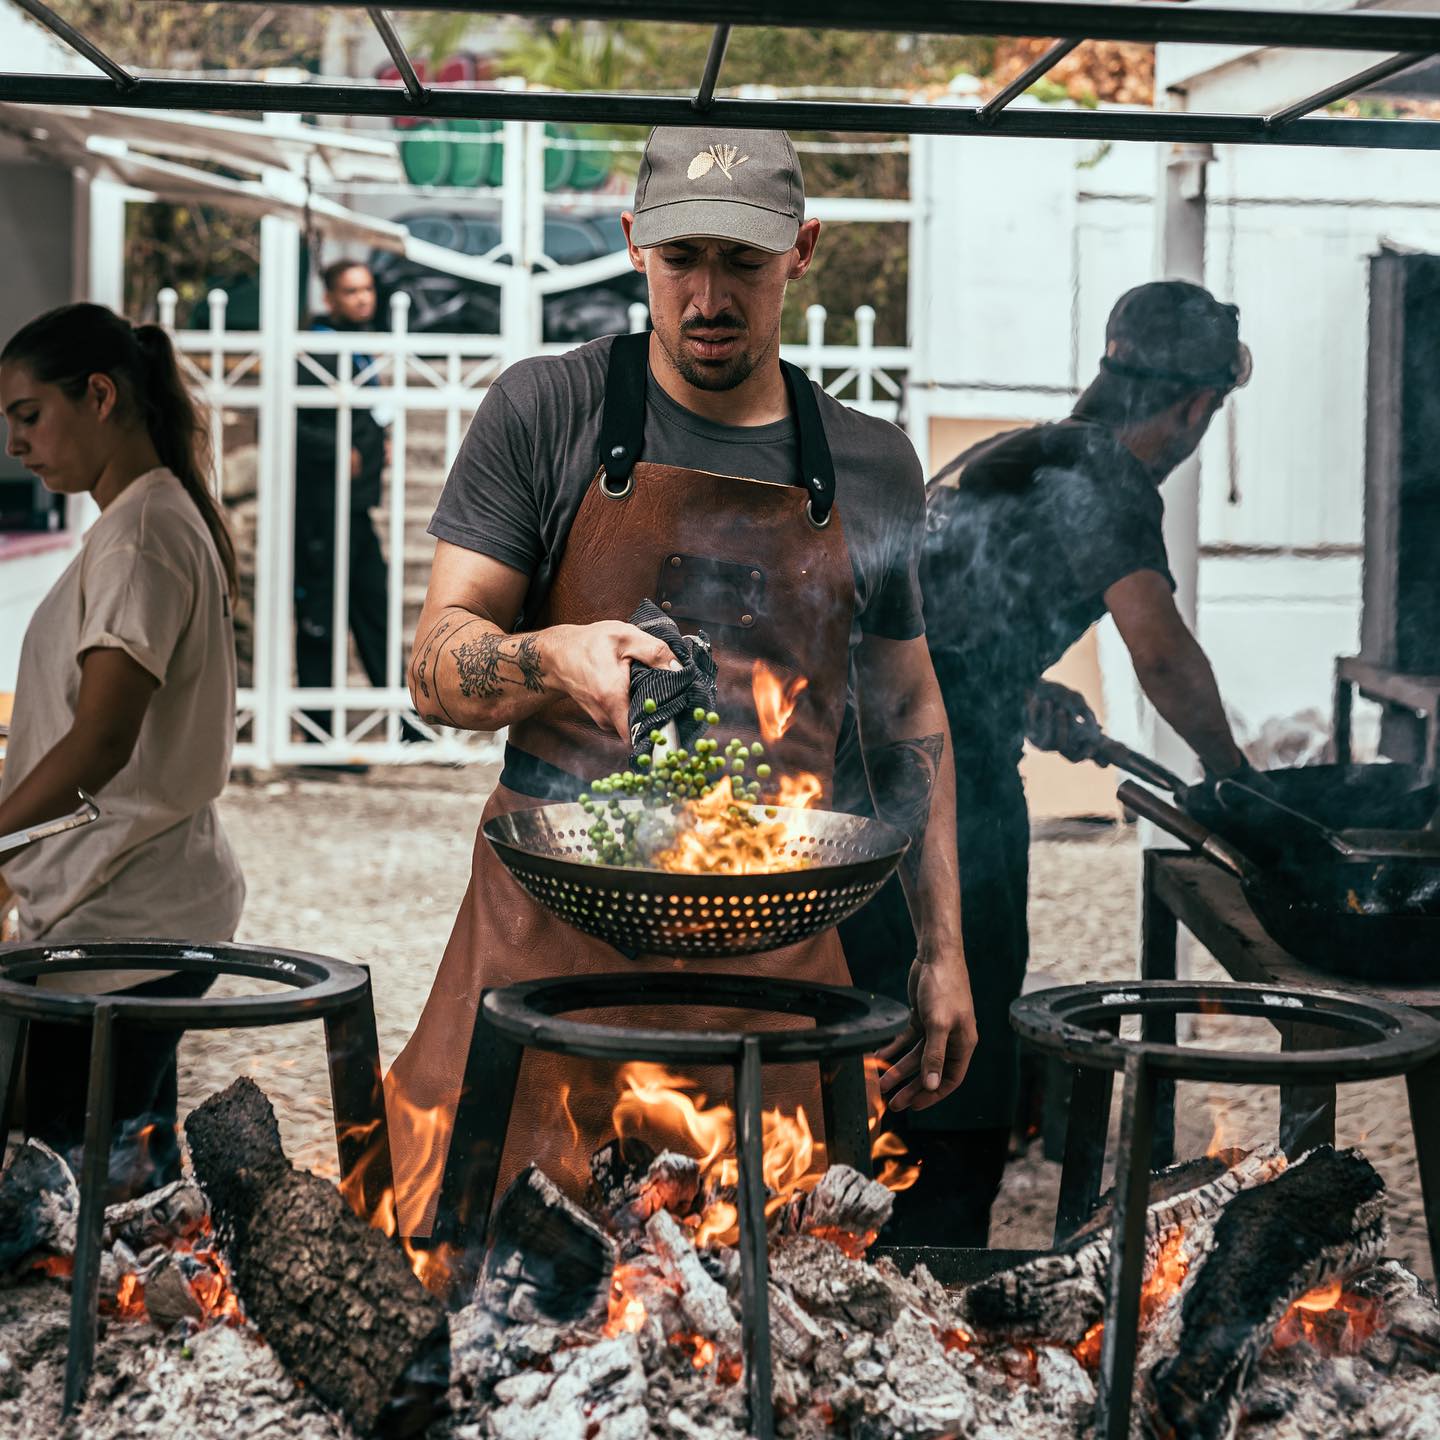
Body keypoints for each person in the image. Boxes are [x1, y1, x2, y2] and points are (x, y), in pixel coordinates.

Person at [386, 126, 977, 1239]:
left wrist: (945, 951)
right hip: (545, 940)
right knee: (482, 1273)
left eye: (743, 263)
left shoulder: (871, 462)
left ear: (802, 252)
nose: (709, 296)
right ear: (632, 247)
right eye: (681, 260)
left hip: (770, 955)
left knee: (768, 1293)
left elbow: (908, 711)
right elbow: (435, 665)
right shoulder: (546, 411)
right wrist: (547, 656)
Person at [837, 280, 1255, 1246]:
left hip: (856, 771)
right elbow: (1160, 651)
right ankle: (931, 1250)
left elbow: (935, 624)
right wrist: (1234, 777)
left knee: (873, 1016)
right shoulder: (1107, 478)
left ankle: (853, 1225)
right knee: (955, 1026)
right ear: (1197, 407)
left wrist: (1019, 691)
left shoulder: (1018, 453)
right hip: (945, 787)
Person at [0, 302, 245, 1199]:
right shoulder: (145, 520)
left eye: (29, 415)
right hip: (138, 911)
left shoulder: (141, 533)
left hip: (124, 919)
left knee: (78, 1194)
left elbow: (102, 738)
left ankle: (91, 1339)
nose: (16, 443)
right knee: (126, 1184)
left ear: (99, 395)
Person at [294, 260, 401, 742]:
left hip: (355, 508)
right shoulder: (315, 348)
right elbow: (290, 424)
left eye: (367, 289)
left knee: (373, 607)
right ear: (330, 297)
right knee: (321, 612)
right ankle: (319, 734)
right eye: (351, 291)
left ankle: (404, 720)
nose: (363, 298)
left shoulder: (361, 347)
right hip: (320, 508)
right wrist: (340, 448)